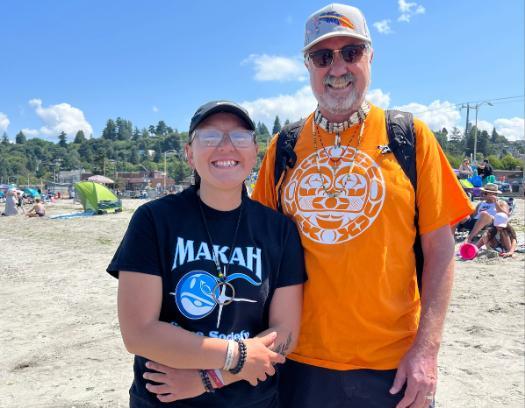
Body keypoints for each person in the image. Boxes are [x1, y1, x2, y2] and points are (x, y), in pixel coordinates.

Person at [252, 4, 474, 407]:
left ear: (370, 56)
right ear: (308, 66)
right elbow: (256, 251)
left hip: (392, 364)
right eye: (323, 57)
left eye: (351, 52)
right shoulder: (283, 146)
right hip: (297, 362)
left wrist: (427, 351)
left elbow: (441, 252)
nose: (337, 68)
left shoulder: (410, 137)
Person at [107, 100, 306, 407]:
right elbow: (138, 333)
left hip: (252, 400)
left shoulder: (279, 230)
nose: (226, 147)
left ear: (255, 153)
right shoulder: (154, 221)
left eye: (240, 138)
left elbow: (286, 332)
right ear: (189, 153)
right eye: (210, 137)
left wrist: (213, 377)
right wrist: (236, 354)